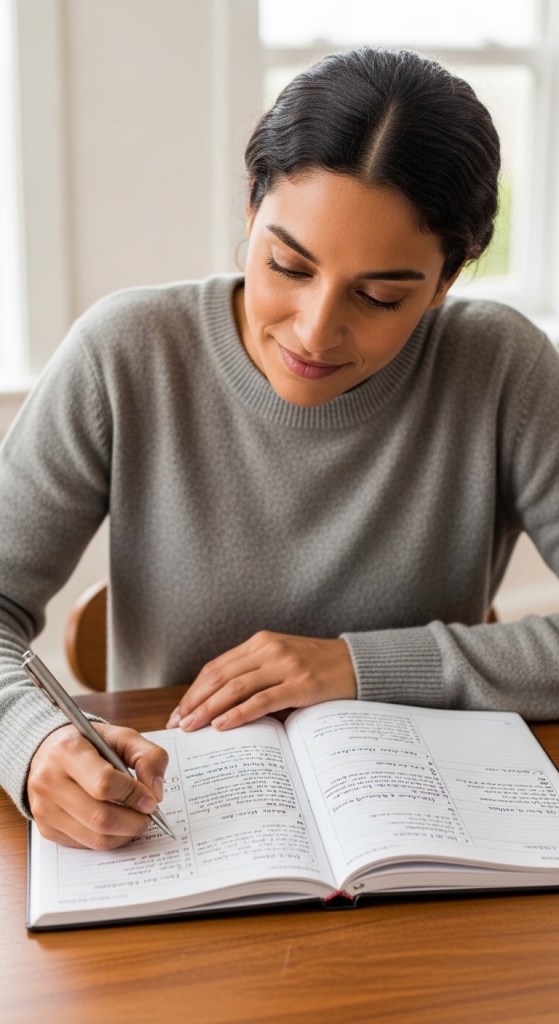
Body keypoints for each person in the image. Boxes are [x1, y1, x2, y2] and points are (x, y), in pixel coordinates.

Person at [1, 46, 558, 851]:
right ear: (251, 205)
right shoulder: (127, 353)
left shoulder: (499, 367)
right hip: (173, 839)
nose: (313, 329)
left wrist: (361, 667)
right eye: (287, 265)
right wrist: (33, 747)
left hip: (422, 857)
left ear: (447, 280)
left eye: (379, 296)